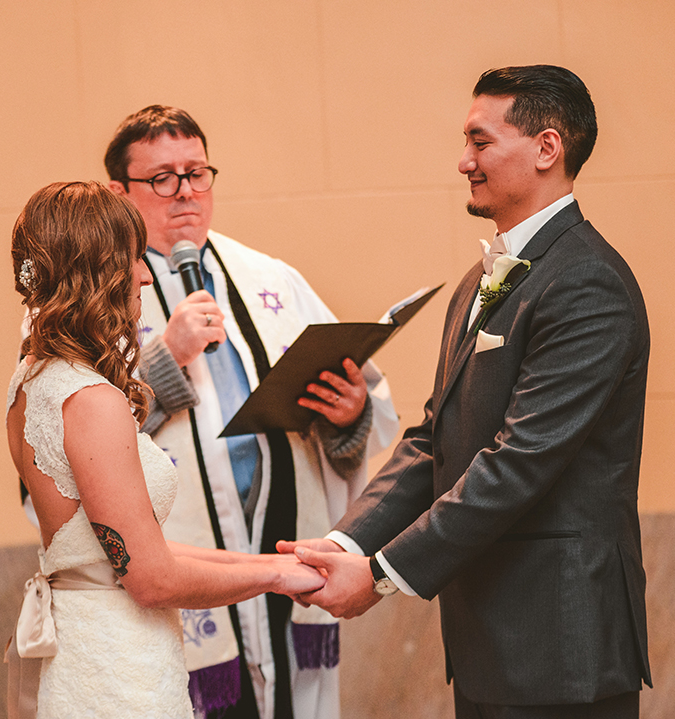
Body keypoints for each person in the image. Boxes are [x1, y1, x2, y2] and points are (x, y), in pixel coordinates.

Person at [280, 65, 653, 719]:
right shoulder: (478, 281)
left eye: (480, 142)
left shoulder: (587, 282)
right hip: (490, 639)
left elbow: (518, 460)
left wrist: (381, 574)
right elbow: (436, 435)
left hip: (561, 643)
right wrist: (345, 542)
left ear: (546, 147)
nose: (464, 161)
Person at [103, 106, 399, 719]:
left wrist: (348, 415)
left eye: (197, 172)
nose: (185, 191)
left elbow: (357, 413)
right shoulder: (99, 296)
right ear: (118, 193)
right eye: (162, 177)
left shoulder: (271, 278)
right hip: (183, 559)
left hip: (280, 537)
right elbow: (73, 445)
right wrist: (166, 359)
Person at [4, 181, 325, 719]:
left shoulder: (31, 379)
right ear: (100, 272)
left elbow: (129, 549)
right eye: (133, 259)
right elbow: (150, 578)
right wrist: (274, 578)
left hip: (90, 642)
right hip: (119, 665)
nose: (146, 275)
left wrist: (274, 562)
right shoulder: (90, 400)